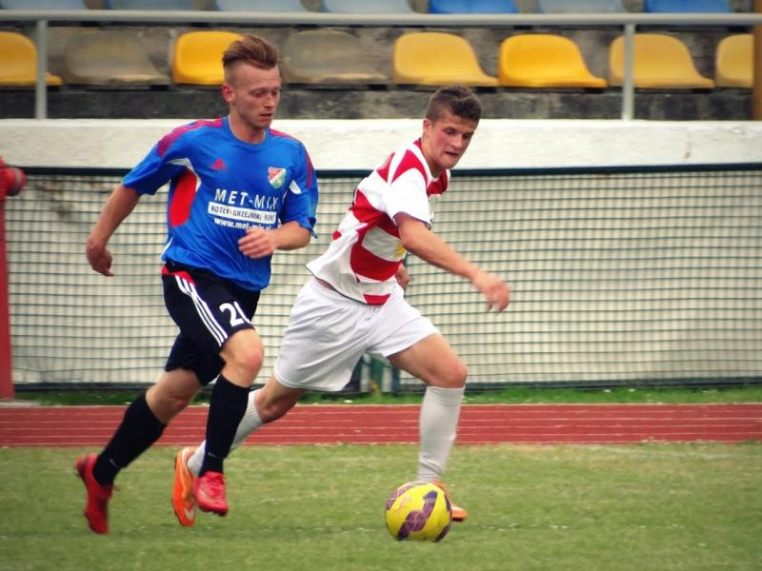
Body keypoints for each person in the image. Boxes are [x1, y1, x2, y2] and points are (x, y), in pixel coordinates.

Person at [171, 84, 510, 528]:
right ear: (427, 127)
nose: (458, 143)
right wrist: (476, 274)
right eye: (450, 131)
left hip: (381, 300)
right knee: (273, 403)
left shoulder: (432, 172)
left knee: (450, 374)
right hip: (333, 305)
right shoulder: (409, 169)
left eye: (466, 136)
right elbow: (413, 234)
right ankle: (194, 463)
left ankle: (429, 487)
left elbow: (370, 219)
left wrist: (389, 263)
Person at [75, 34, 318, 534]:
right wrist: (98, 239)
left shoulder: (291, 154)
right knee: (247, 356)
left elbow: (302, 227)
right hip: (190, 275)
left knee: (173, 395)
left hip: (242, 290)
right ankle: (210, 473)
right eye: (258, 92)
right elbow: (133, 185)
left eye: (275, 91)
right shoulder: (192, 142)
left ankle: (101, 473)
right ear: (229, 93)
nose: (269, 101)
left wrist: (275, 238)